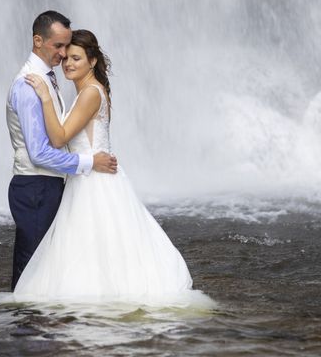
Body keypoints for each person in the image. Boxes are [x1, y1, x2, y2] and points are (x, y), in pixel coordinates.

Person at [14, 29, 205, 305]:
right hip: (89, 174)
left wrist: (44, 97)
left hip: (93, 180)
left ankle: (95, 302)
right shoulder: (89, 92)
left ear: (92, 61)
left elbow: (58, 138)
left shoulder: (91, 93)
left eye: (76, 58)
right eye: (66, 58)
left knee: (93, 244)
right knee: (95, 245)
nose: (68, 63)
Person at [6, 11, 117, 290]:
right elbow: (40, 154)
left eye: (69, 49)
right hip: (36, 187)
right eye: (59, 47)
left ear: (92, 60)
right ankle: (26, 327)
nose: (64, 55)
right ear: (38, 41)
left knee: (51, 267)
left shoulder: (51, 81)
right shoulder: (29, 85)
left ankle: (42, 325)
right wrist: (90, 162)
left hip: (57, 185)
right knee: (31, 270)